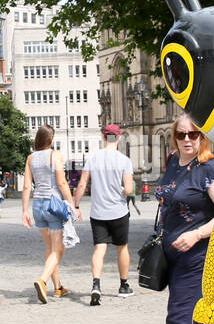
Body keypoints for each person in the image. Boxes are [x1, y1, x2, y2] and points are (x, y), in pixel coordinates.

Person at [144, 114, 214, 324]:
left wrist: (197, 234)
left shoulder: (209, 169)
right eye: (181, 134)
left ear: (203, 137)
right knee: (196, 322)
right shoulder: (174, 162)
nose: (187, 140)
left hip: (196, 255)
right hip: (171, 253)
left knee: (178, 319)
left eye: (193, 134)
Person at [73, 124, 136, 306]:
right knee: (121, 247)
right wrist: (124, 189)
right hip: (118, 212)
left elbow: (82, 184)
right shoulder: (124, 160)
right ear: (119, 138)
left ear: (103, 137)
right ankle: (124, 286)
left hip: (98, 212)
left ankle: (96, 285)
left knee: (99, 249)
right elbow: (130, 189)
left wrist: (76, 205)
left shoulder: (93, 158)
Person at [21, 124, 79, 302]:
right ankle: (42, 280)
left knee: (50, 249)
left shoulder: (30, 158)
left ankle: (58, 288)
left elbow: (26, 186)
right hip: (53, 206)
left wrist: (24, 211)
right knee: (58, 250)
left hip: (37, 206)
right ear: (50, 139)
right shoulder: (55, 155)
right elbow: (62, 183)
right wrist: (73, 205)